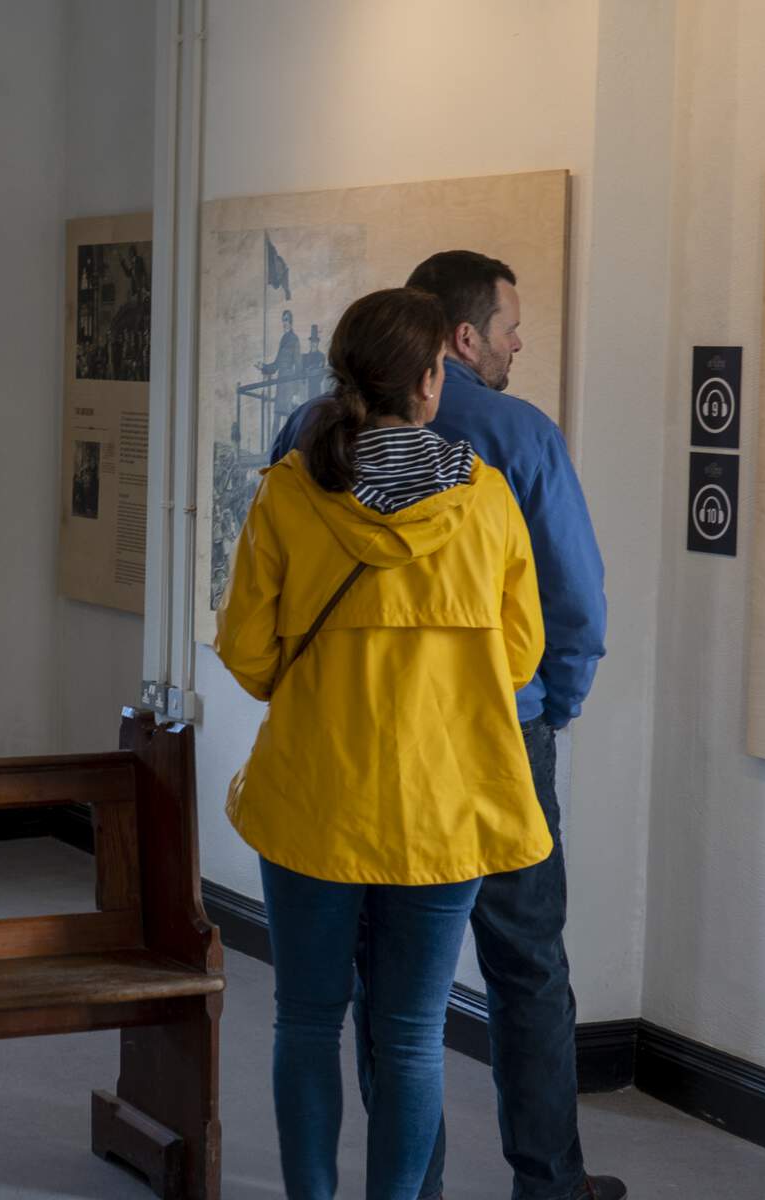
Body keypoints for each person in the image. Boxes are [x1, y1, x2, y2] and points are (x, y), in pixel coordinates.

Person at [270, 251, 619, 1200]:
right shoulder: (512, 445)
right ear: (452, 344)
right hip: (493, 744)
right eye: (508, 327)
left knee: (361, 1001)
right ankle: (547, 1182)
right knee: (525, 970)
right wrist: (550, 705)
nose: (517, 343)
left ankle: (411, 1187)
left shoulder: (308, 437)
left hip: (345, 752)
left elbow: (265, 625)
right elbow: (570, 609)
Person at [219, 286, 551, 1200]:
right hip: (444, 812)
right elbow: (520, 657)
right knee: (411, 1037)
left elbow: (247, 655)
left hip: (313, 800)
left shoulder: (289, 493)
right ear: (433, 377)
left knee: (305, 1022)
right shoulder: (483, 503)